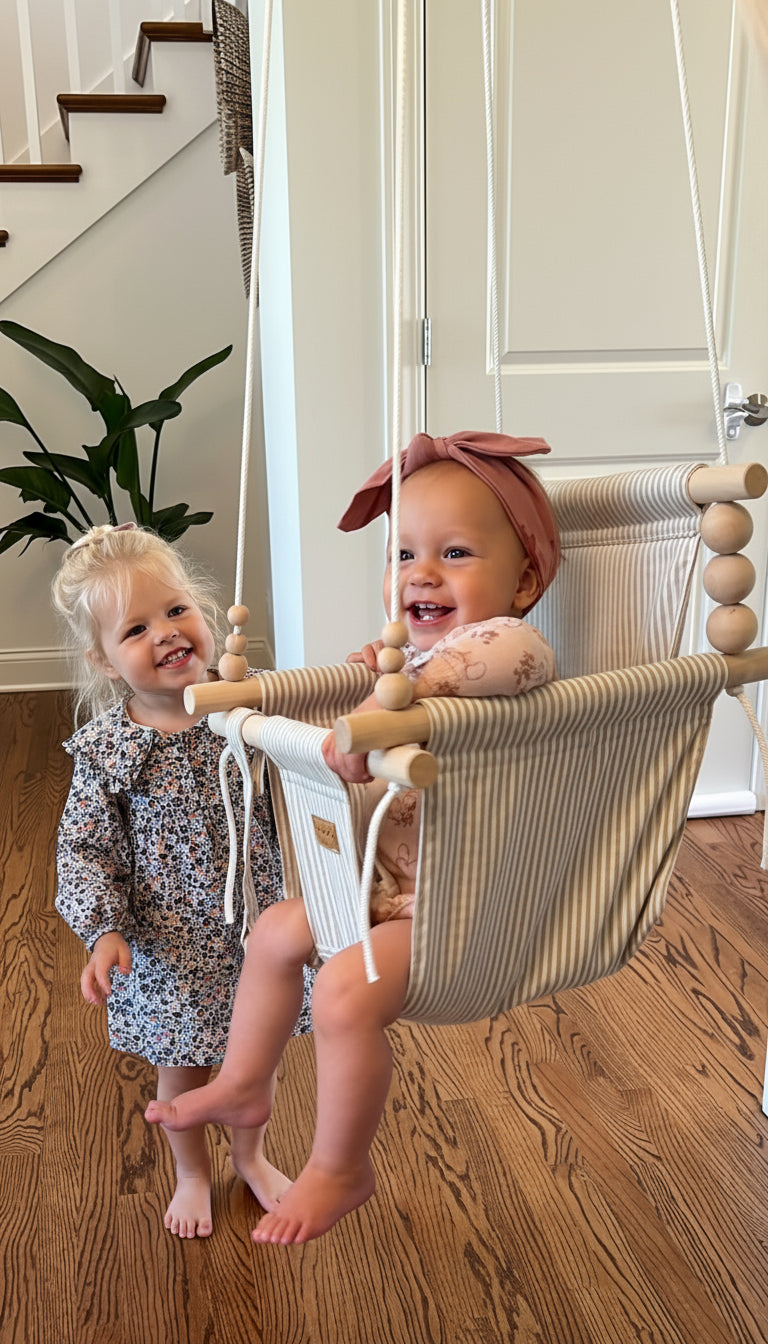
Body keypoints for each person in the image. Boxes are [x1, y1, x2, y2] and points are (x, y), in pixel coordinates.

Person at [144, 430, 561, 1245]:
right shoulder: (421, 659)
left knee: (342, 990)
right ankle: (244, 1083)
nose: (421, 573)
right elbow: (421, 680)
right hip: (382, 887)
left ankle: (342, 1167)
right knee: (275, 932)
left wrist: (386, 701)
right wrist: (385, 677)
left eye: (455, 553)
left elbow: (485, 662)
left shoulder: (512, 645)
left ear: (523, 581)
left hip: (460, 906)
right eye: (404, 553)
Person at [53, 522, 311, 1239]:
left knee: (257, 1056)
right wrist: (102, 930)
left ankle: (251, 1156)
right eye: (136, 629)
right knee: (184, 1070)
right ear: (104, 662)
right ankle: (192, 1172)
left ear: (203, 612)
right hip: (167, 948)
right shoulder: (110, 750)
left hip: (255, 931)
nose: (165, 632)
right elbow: (83, 848)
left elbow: (307, 764)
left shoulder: (243, 711)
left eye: (175, 610)